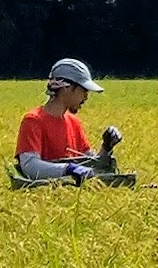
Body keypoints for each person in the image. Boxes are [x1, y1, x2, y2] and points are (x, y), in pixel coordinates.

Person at [13, 57, 132, 187]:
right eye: (84, 90)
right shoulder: (33, 121)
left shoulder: (73, 122)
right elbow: (30, 166)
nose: (86, 97)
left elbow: (90, 165)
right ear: (66, 88)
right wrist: (68, 169)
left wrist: (107, 147)